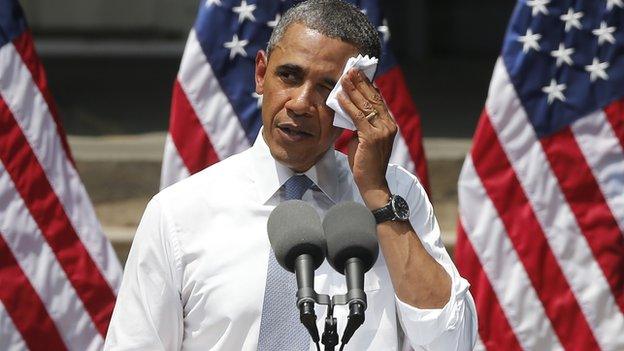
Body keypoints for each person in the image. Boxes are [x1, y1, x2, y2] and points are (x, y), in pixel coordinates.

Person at [104, 1, 477, 350]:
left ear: (358, 102)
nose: (300, 103)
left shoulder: (396, 197)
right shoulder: (178, 214)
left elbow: (452, 341)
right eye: (289, 76)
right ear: (261, 73)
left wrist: (377, 197)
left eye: (327, 87)